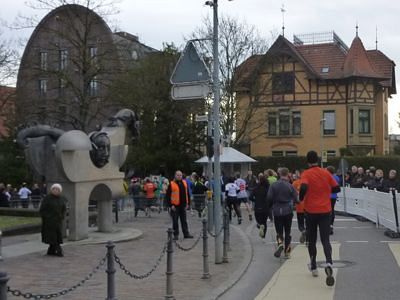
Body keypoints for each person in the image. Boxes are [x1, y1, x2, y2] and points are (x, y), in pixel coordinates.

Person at [299, 150, 340, 286]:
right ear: (317, 159)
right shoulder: (326, 172)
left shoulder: (306, 173)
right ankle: (328, 262)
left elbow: (304, 186)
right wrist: (326, 192)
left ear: (307, 161)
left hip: (311, 211)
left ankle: (314, 266)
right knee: (325, 239)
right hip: (325, 210)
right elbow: (336, 188)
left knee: (312, 240)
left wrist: (301, 197)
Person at [267, 167, 298, 259]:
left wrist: (270, 206)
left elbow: (269, 198)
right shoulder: (290, 186)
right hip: (288, 210)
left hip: (277, 210)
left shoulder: (273, 185)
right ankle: (287, 252)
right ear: (288, 174)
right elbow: (296, 198)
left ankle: (280, 243)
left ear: (279, 174)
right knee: (287, 232)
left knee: (279, 231)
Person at [39, 183, 67, 257]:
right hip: (49, 222)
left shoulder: (61, 199)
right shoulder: (47, 198)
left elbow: (64, 208)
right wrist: (47, 217)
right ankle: (59, 251)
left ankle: (51, 251)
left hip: (58, 221)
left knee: (57, 236)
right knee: (53, 237)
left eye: (57, 189)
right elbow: (42, 210)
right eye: (54, 189)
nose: (55, 190)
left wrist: (62, 216)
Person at [166, 170, 193, 240]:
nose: (179, 176)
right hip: (175, 206)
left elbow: (187, 194)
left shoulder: (184, 183)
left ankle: (186, 234)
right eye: (178, 175)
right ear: (175, 176)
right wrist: (171, 205)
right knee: (175, 221)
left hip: (183, 205)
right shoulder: (171, 184)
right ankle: (176, 235)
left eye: (180, 175)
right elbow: (168, 196)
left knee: (184, 221)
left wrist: (188, 203)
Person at [253, 173, 270, 239]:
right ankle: (263, 236)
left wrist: (255, 200)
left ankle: (259, 225)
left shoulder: (256, 188)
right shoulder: (268, 189)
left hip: (257, 207)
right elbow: (271, 197)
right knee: (264, 222)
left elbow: (250, 197)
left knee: (258, 221)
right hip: (265, 207)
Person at [292, 170, 307, 243]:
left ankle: (303, 230)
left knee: (300, 223)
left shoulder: (295, 183)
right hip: (307, 207)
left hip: (300, 206)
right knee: (308, 222)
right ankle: (307, 234)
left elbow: (292, 193)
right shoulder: (308, 183)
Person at [326, 166, 341, 235]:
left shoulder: (327, 177)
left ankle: (327, 225)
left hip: (327, 196)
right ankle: (331, 225)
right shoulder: (336, 177)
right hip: (334, 196)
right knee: (332, 210)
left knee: (327, 211)